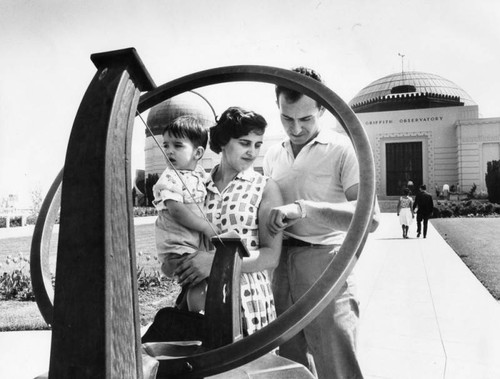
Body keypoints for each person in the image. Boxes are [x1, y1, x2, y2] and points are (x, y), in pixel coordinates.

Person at [264, 67, 380, 379]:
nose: (296, 128)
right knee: (290, 367)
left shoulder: (343, 149)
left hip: (326, 266)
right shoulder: (273, 154)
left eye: (306, 119)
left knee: (337, 367)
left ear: (322, 110)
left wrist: (305, 209)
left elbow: (369, 217)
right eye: (287, 118)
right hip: (280, 269)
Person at [173, 106, 284, 335]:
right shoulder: (196, 185)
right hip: (200, 299)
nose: (252, 152)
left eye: (257, 144)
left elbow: (271, 255)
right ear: (223, 141)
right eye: (244, 143)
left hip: (248, 298)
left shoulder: (265, 187)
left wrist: (215, 263)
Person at [152, 115, 218, 311]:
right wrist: (206, 226)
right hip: (178, 247)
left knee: (196, 283)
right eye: (166, 145)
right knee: (198, 284)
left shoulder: (198, 174)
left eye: (178, 145)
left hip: (192, 245)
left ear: (198, 153)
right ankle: (196, 320)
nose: (169, 151)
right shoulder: (170, 176)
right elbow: (177, 210)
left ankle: (183, 317)